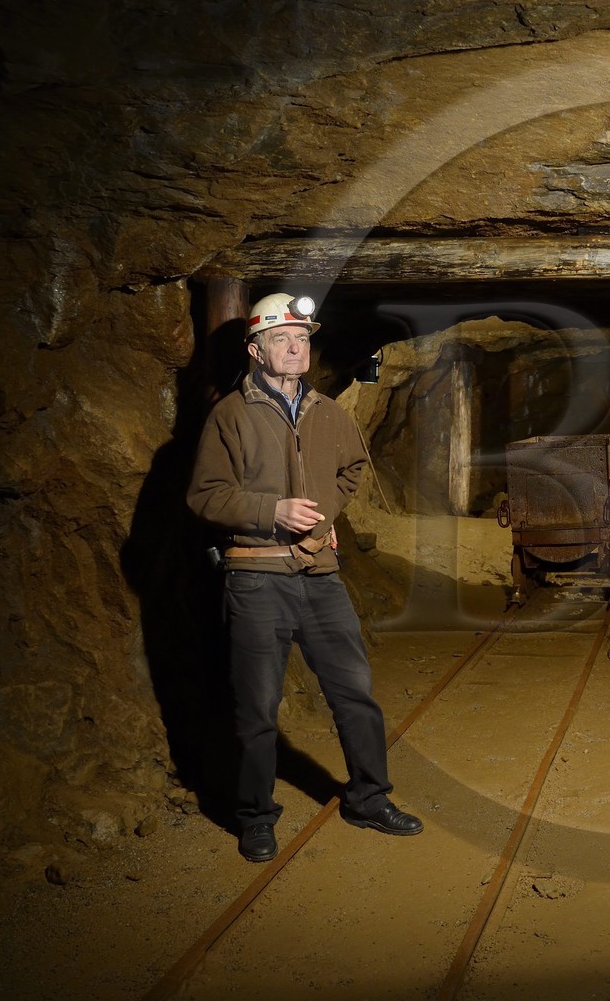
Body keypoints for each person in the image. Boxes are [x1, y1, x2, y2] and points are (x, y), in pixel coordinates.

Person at [188, 291, 422, 862]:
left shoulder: (327, 411)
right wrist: (274, 512)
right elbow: (204, 496)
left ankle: (369, 798)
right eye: (280, 339)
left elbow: (354, 467)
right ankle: (256, 816)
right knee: (257, 709)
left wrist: (322, 512)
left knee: (355, 695)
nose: (295, 348)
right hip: (257, 577)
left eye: (302, 338)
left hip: (319, 574)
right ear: (255, 349)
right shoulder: (230, 416)